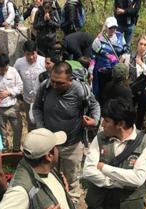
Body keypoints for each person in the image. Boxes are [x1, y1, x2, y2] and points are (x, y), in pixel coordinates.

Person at [33, 62, 100, 196]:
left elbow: (95, 105)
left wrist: (95, 120)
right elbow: (37, 108)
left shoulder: (80, 90)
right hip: (50, 145)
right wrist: (41, 127)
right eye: (53, 81)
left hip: (72, 144)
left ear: (70, 80)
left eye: (60, 83)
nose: (55, 85)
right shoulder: (45, 87)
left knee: (72, 177)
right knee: (49, 174)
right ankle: (53, 197)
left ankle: (73, 200)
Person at [91, 17, 127, 100]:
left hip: (116, 71)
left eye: (115, 27)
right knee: (102, 92)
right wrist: (90, 71)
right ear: (106, 27)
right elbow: (93, 56)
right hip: (102, 71)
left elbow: (125, 50)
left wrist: (123, 57)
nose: (113, 30)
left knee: (113, 93)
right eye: (111, 28)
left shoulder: (120, 36)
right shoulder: (99, 40)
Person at [13, 40, 46, 131]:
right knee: (31, 122)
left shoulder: (43, 62)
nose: (31, 57)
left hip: (43, 99)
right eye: (28, 54)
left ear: (36, 51)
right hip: (28, 99)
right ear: (24, 53)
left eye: (33, 54)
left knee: (43, 122)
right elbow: (14, 76)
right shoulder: (19, 63)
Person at [128, 35, 146, 130]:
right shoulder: (131, 55)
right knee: (129, 111)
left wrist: (141, 64)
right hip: (132, 88)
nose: (143, 47)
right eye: (141, 44)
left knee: (141, 113)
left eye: (145, 45)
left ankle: (138, 130)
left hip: (145, 90)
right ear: (137, 44)